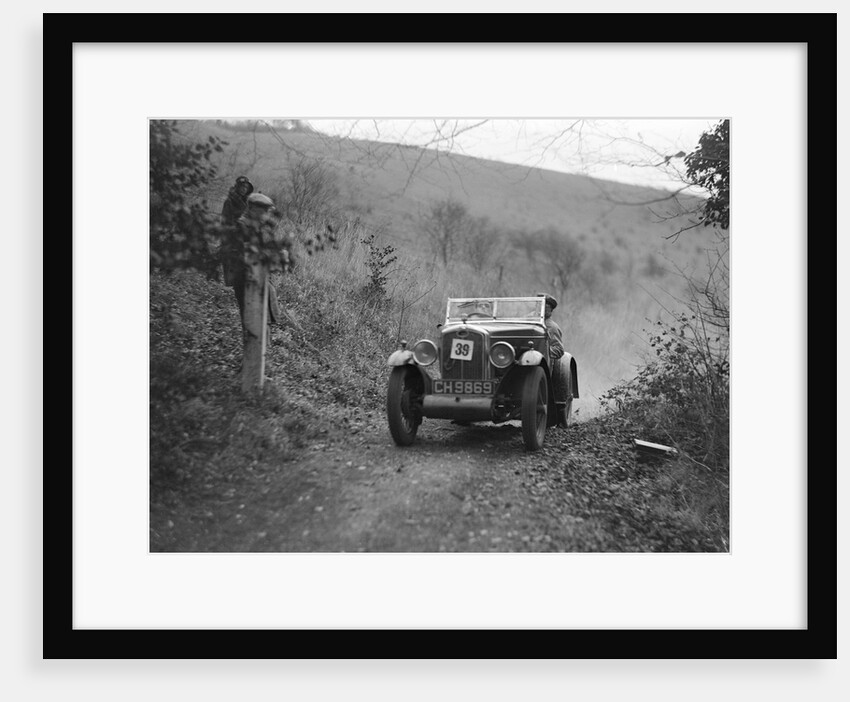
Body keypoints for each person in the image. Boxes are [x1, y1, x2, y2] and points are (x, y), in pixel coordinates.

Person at [538, 292, 570, 427]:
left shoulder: (552, 327)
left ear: (550, 310)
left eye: (545, 307)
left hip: (542, 368)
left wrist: (545, 352)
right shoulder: (528, 323)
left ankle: (560, 415)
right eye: (539, 305)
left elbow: (559, 350)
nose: (542, 309)